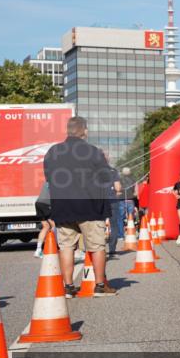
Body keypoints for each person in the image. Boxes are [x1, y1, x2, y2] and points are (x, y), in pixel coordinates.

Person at [42, 116, 117, 296]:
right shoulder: (93, 151)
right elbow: (106, 178)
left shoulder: (53, 152)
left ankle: (68, 287)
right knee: (97, 246)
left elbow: (49, 178)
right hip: (90, 207)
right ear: (85, 131)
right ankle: (100, 285)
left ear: (67, 130)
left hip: (63, 207)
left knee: (66, 247)